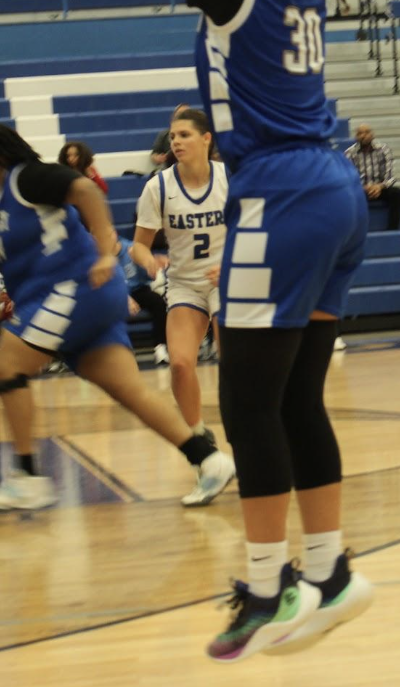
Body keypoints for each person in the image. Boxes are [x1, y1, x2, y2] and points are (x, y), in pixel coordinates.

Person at [58, 0, 374, 661]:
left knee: (246, 404)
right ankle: (332, 571)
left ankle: (269, 587)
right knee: (296, 399)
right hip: (336, 192)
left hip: (283, 195)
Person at [0, 123, 232, 510]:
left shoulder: (27, 179)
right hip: (65, 298)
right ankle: (209, 459)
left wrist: (107, 250)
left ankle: (27, 477)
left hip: (74, 287)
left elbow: (86, 190)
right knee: (130, 390)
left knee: (6, 368)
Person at [131, 107, 236, 506]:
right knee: (179, 363)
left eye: (184, 135)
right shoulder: (158, 186)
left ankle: (248, 442)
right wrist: (149, 261)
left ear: (206, 139)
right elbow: (140, 243)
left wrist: (234, 264)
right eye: (172, 136)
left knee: (235, 366)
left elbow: (258, 226)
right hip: (185, 284)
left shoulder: (231, 177)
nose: (175, 141)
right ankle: (201, 444)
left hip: (229, 279)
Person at [117, 237, 168, 366]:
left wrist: (148, 267)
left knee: (158, 302)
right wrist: (125, 297)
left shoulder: (132, 249)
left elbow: (148, 277)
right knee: (108, 307)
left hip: (138, 289)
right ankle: (120, 351)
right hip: (118, 292)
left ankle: (160, 348)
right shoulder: (100, 256)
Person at [344, 123, 400, 231]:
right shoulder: (349, 153)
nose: (363, 135)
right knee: (345, 196)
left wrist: (379, 187)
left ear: (372, 135)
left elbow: (390, 177)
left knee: (397, 193)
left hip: (380, 189)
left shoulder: (383, 150)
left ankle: (392, 231)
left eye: (366, 132)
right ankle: (353, 232)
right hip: (360, 190)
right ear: (356, 137)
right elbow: (349, 180)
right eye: (360, 133)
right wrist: (363, 188)